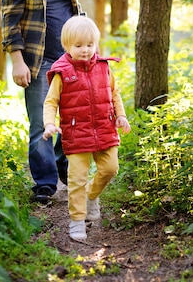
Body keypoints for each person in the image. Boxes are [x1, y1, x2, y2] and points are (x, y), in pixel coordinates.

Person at [1, 0, 85, 204]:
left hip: (70, 60)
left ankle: (66, 172)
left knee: (72, 120)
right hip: (38, 62)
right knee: (41, 125)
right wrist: (17, 61)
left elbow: (75, 13)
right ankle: (45, 185)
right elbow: (9, 22)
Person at [42, 16, 131, 241]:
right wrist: (49, 123)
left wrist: (121, 116)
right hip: (76, 132)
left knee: (110, 168)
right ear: (67, 46)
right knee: (77, 178)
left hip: (104, 128)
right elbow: (51, 102)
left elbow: (114, 94)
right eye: (79, 46)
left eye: (90, 45)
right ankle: (77, 220)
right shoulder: (62, 72)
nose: (85, 50)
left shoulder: (104, 67)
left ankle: (92, 196)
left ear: (96, 45)